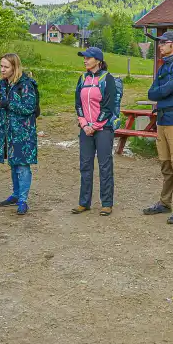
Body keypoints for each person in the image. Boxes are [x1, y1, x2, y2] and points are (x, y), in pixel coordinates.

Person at [142, 31, 173, 224]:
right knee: (165, 163)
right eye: (160, 42)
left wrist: (161, 92)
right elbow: (151, 93)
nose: (160, 45)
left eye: (164, 42)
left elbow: (164, 90)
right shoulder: (164, 66)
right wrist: (161, 92)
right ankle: (165, 202)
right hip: (162, 119)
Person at [72, 47, 120, 217]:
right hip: (85, 129)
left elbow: (108, 106)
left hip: (104, 129)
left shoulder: (107, 79)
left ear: (98, 60)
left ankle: (106, 204)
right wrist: (84, 124)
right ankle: (84, 202)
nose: (85, 60)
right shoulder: (82, 78)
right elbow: (78, 103)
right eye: (84, 58)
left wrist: (96, 125)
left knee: (105, 165)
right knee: (85, 165)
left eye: (88, 58)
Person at [0, 53, 39, 215]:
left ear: (15, 67)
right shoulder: (3, 84)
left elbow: (29, 108)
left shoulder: (25, 84)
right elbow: (0, 104)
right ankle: (15, 195)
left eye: (6, 67)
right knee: (13, 164)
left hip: (23, 133)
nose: (2, 70)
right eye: (1, 66)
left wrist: (8, 104)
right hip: (7, 131)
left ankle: (23, 200)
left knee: (22, 166)